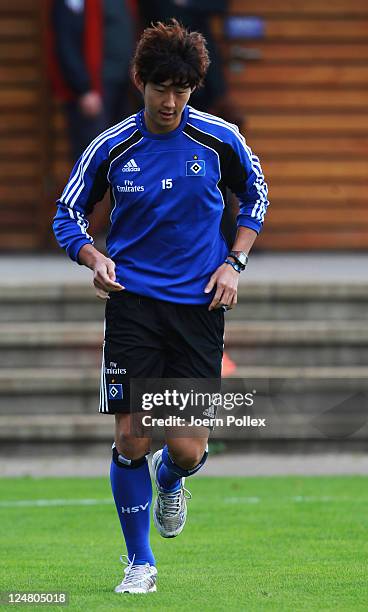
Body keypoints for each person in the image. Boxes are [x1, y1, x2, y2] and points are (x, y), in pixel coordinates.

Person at [52, 19, 269, 594]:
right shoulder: (113, 146)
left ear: (194, 87)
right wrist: (92, 257)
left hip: (199, 306)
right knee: (132, 437)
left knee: (185, 446)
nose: (170, 101)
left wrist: (236, 261)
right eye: (159, 88)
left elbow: (258, 195)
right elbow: (67, 214)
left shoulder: (221, 140)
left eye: (181, 89)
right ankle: (140, 564)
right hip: (134, 307)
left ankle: (173, 479)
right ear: (140, 82)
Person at [49, 0, 138, 161]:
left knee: (122, 155)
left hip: (125, 88)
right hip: (93, 91)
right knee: (92, 156)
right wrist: (83, 89)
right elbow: (66, 43)